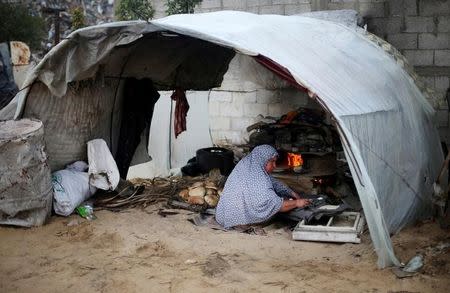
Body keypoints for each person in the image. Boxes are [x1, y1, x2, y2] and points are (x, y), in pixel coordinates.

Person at [216, 144, 310, 229]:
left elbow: (273, 182)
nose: (274, 165)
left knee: (281, 197)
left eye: (275, 162)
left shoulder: (247, 165)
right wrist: (297, 203)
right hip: (240, 221)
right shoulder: (259, 181)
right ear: (263, 160)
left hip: (224, 216)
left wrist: (290, 192)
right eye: (272, 162)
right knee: (278, 209)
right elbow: (277, 205)